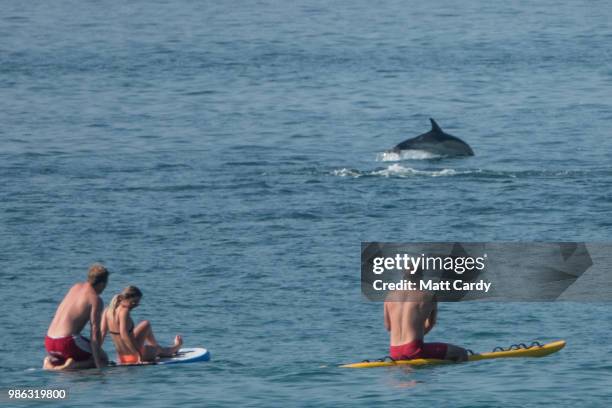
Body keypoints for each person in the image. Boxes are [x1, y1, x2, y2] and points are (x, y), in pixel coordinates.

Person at [384, 271, 468, 362]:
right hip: (414, 350)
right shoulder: (429, 296)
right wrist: (416, 333)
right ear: (421, 277)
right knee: (462, 353)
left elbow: (388, 327)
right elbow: (431, 323)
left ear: (403, 277)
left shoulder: (389, 297)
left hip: (394, 352)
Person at [43, 264, 109, 370]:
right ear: (102, 284)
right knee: (103, 358)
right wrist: (98, 363)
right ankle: (72, 366)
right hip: (66, 342)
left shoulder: (75, 287)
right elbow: (95, 333)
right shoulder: (95, 299)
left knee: (73, 354)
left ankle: (50, 363)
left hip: (49, 341)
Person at [101, 286, 182, 364]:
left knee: (146, 324)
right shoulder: (124, 311)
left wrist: (95, 354)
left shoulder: (107, 310)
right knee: (159, 350)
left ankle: (154, 345)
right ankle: (176, 347)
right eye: (134, 302)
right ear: (128, 299)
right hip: (134, 356)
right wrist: (138, 355)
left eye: (137, 303)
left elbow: (102, 333)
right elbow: (124, 334)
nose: (135, 305)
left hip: (122, 357)